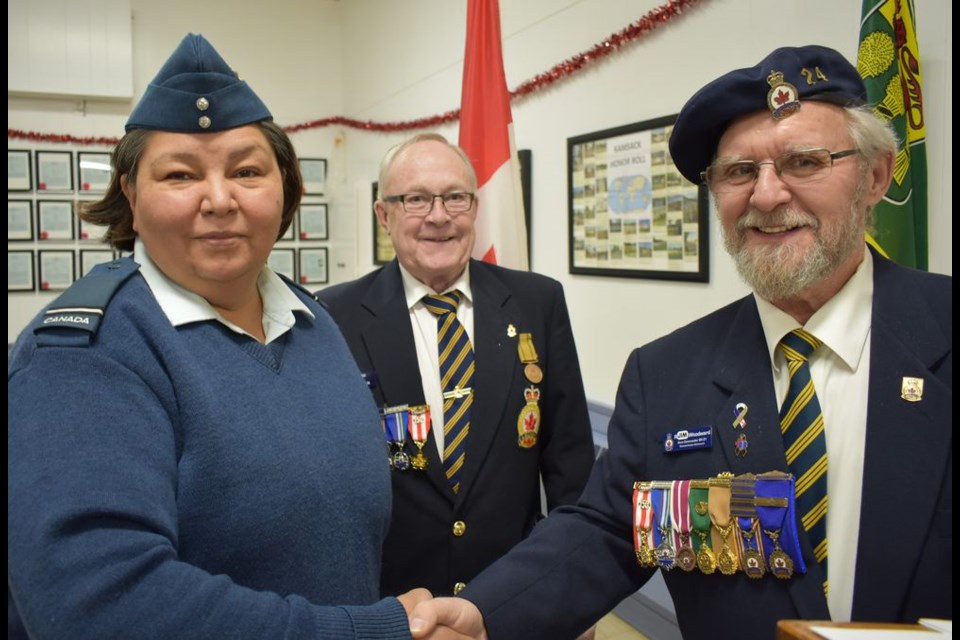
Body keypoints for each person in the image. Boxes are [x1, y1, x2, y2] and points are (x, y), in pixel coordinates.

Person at [406, 45, 952, 640]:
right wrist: (488, 614)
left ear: (875, 176)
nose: (766, 196)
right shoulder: (666, 373)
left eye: (803, 162)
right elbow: (608, 531)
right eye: (739, 172)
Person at [7, 33, 429, 639]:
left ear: (285, 187)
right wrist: (368, 632)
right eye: (180, 174)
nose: (220, 199)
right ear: (130, 193)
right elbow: (101, 606)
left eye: (247, 171)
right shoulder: (84, 355)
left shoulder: (310, 319)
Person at [316, 133, 596, 600]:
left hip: (514, 594)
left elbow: (572, 469)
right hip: (393, 603)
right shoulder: (333, 316)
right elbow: (326, 483)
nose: (439, 216)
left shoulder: (536, 302)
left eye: (455, 197)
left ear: (475, 207)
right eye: (416, 199)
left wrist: (576, 589)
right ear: (384, 215)